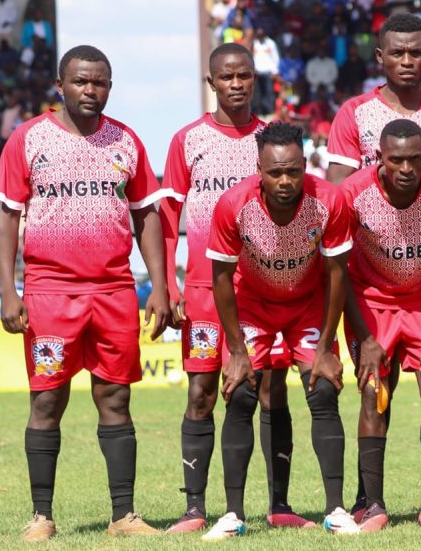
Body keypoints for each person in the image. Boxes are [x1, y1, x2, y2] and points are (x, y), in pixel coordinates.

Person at [0, 45, 169, 541]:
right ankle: (41, 516)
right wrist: (10, 290)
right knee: (47, 399)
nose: (91, 91)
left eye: (101, 83)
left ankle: (124, 516)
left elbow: (146, 214)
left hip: (113, 289)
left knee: (115, 395)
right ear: (60, 84)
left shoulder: (125, 141)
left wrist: (157, 285)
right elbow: (6, 216)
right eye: (81, 82)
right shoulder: (27, 140)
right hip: (50, 291)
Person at [325, 12, 421, 516]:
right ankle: (368, 499)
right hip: (372, 272)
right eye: (398, 52)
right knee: (376, 389)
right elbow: (336, 198)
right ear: (381, 57)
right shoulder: (354, 115)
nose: (407, 61)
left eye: (416, 53)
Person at [158, 44, 305, 534]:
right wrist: (167, 285)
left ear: (254, 80)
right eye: (227, 77)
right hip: (203, 288)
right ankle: (195, 509)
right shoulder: (187, 141)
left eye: (245, 75)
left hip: (262, 289)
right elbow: (167, 218)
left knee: (270, 389)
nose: (236, 84)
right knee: (202, 391)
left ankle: (279, 504)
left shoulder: (272, 140)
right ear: (212, 82)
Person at [202, 122, 359, 539]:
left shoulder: (330, 200)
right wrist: (236, 351)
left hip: (307, 306)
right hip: (253, 307)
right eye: (275, 173)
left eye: (293, 170)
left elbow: (338, 274)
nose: (285, 181)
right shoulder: (233, 204)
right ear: (259, 169)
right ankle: (233, 515)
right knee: (240, 394)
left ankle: (337, 510)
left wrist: (326, 346)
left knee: (323, 388)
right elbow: (220, 279)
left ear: (305, 163)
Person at [340, 119, 421, 531]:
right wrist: (364, 335)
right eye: (396, 160)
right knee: (373, 393)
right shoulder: (353, 194)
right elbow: (337, 269)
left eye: (415, 158)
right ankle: (373, 505)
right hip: (369, 300)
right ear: (380, 157)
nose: (406, 168)